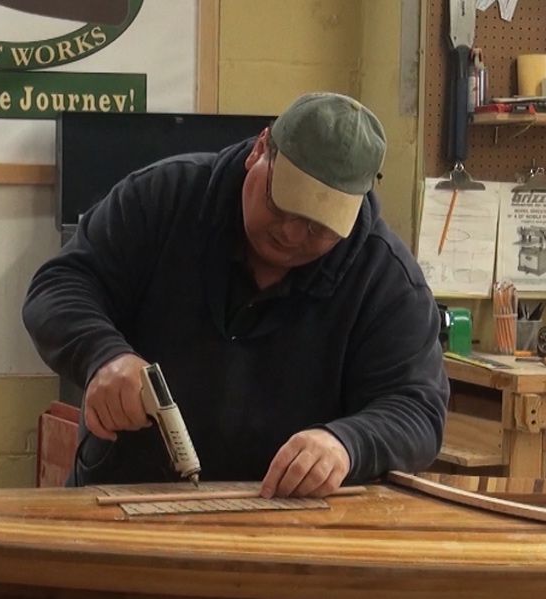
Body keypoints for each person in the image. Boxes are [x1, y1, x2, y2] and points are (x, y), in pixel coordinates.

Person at [23, 92, 448, 498]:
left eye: (317, 227)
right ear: (260, 150)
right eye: (281, 205)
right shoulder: (163, 197)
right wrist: (103, 355)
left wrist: (346, 443)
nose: (291, 234)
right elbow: (60, 285)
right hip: (121, 496)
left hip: (282, 519)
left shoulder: (384, 278)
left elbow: (417, 408)